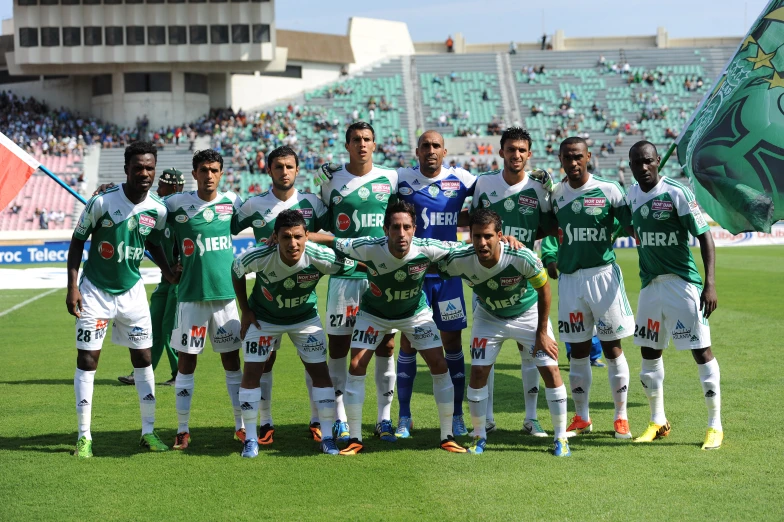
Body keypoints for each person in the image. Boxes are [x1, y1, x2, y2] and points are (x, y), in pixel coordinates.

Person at [311, 201, 466, 454]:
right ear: (386, 230)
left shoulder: (427, 248)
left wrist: (505, 244)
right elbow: (333, 240)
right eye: (395, 227)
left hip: (414, 314)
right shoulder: (368, 247)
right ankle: (356, 438)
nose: (401, 233)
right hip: (374, 314)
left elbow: (466, 248)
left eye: (406, 227)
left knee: (439, 363)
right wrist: (306, 235)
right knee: (356, 364)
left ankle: (447, 436)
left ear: (415, 229)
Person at [65, 142, 178, 458]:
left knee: (143, 358)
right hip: (95, 291)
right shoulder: (101, 202)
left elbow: (154, 243)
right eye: (139, 167)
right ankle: (84, 437)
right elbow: (77, 243)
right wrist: (72, 287)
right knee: (88, 360)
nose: (145, 173)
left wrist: (168, 273)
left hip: (132, 293)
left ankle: (148, 432)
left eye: (149, 168)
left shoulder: (157, 209)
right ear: (127, 168)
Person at [439, 209, 570, 456]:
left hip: (527, 314)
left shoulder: (521, 255)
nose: (482, 242)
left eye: (488, 236)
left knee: (551, 370)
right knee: (478, 372)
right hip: (489, 316)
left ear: (500, 236)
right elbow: (432, 261)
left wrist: (542, 332)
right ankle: (479, 436)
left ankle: (561, 438)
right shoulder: (461, 258)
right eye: (476, 236)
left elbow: (544, 289)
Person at [231, 210, 356, 457]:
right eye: (286, 237)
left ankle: (328, 437)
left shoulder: (320, 257)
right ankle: (251, 439)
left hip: (304, 320)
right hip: (264, 320)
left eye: (298, 236)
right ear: (275, 237)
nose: (293, 243)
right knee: (252, 372)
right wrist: (245, 310)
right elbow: (236, 270)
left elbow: (354, 265)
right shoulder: (260, 256)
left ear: (307, 236)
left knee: (321, 373)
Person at [626, 141, 722, 450]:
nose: (643, 167)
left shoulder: (677, 193)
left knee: (701, 351)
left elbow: (705, 236)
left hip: (683, 285)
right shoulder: (631, 195)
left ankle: (714, 425)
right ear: (630, 167)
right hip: (650, 286)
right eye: (637, 163)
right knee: (649, 355)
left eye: (648, 161)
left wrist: (709, 284)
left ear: (657, 162)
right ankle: (657, 421)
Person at [232, 146, 330, 441]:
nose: (284, 172)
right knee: (265, 361)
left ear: (297, 170)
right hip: (265, 304)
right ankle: (265, 422)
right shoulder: (253, 205)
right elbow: (228, 229)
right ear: (269, 170)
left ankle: (317, 421)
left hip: (303, 301)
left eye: (289, 166)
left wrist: (311, 237)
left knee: (311, 361)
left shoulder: (313, 203)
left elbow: (329, 234)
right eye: (278, 167)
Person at [315, 122, 399, 443]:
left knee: (386, 345)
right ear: (347, 145)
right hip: (344, 276)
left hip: (381, 275)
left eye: (367, 140)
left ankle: (384, 419)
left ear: (374, 145)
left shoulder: (390, 178)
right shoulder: (330, 181)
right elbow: (322, 222)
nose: (362, 144)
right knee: (339, 346)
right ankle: (340, 418)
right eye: (356, 140)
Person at [470, 127, 555, 437]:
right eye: (510, 149)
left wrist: (523, 246)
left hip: (526, 278)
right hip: (488, 279)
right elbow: (477, 224)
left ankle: (531, 419)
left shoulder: (538, 188)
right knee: (485, 355)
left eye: (521, 150)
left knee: (531, 351)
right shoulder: (484, 184)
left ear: (528, 154)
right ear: (501, 151)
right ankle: (487, 419)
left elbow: (548, 225)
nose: (516, 154)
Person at [551, 136, 635, 439]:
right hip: (571, 280)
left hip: (603, 276)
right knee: (577, 352)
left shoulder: (610, 190)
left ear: (588, 157)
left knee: (613, 349)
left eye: (577, 157)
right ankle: (582, 417)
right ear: (560, 159)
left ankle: (621, 417)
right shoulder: (556, 194)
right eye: (566, 158)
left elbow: (632, 227)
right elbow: (550, 232)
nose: (572, 163)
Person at [394, 131, 476, 438]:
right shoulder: (400, 179)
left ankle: (456, 416)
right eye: (425, 146)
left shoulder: (463, 180)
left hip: (447, 277)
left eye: (436, 146)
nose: (431, 150)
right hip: (412, 276)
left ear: (444, 152)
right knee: (408, 342)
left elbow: (495, 189)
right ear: (417, 151)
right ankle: (404, 416)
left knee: (452, 344)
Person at [166, 149, 244, 450]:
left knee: (232, 363)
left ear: (221, 173)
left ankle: (240, 426)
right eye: (203, 169)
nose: (209, 175)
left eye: (214, 169)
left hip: (225, 297)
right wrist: (168, 264)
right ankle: (182, 430)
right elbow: (151, 222)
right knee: (187, 363)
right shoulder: (175, 203)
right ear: (194, 173)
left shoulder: (232, 202)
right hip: (191, 298)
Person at [118, 167, 185, 387]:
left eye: (162, 185)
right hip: (165, 279)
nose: (158, 189)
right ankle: (142, 373)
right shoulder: (159, 211)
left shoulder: (181, 214)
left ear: (174, 187)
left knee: (169, 329)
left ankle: (179, 374)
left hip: (180, 281)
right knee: (152, 326)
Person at [540, 235, 605, 367]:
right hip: (570, 275)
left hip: (596, 275)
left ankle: (594, 356)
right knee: (573, 318)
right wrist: (550, 258)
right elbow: (550, 240)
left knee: (597, 317)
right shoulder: (561, 217)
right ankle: (574, 354)